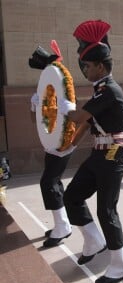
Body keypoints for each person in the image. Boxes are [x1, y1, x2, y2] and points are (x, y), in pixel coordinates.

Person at [58, 21, 123, 283]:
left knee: (106, 209)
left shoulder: (110, 90)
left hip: (114, 151)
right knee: (72, 196)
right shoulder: (100, 90)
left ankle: (120, 265)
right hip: (101, 151)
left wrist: (57, 102)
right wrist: (69, 146)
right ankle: (94, 240)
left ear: (100, 66)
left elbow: (79, 116)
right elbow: (87, 124)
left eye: (87, 66)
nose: (85, 70)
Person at [29, 45, 75, 248]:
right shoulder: (46, 92)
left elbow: (70, 117)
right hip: (51, 143)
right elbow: (36, 120)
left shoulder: (59, 90)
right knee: (53, 182)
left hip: (62, 143)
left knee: (48, 182)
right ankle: (62, 223)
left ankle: (63, 226)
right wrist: (34, 106)